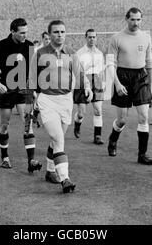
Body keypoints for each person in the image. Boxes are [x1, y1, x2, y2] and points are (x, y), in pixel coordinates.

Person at [29, 20, 93, 193]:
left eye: (62, 32)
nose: (60, 35)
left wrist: (87, 87)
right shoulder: (40, 53)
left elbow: (79, 74)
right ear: (49, 35)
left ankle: (50, 172)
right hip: (47, 100)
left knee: (56, 140)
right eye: (56, 32)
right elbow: (32, 79)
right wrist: (33, 104)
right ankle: (65, 178)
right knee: (59, 139)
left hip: (66, 100)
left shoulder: (71, 53)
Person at [0, 18, 41, 172]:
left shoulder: (29, 46)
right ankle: (5, 157)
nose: (24, 35)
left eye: (26, 32)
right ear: (12, 31)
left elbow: (33, 69)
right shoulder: (1, 46)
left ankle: (31, 161)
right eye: (22, 33)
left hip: (24, 90)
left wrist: (34, 89)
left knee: (27, 124)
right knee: (4, 124)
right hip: (6, 90)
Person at [106, 7, 152, 165]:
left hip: (141, 77)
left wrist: (151, 87)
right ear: (126, 19)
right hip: (122, 77)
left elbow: (150, 63)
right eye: (133, 19)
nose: (136, 23)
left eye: (138, 19)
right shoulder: (116, 38)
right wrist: (117, 84)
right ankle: (113, 139)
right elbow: (110, 63)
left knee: (144, 116)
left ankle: (142, 155)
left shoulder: (146, 37)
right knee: (122, 120)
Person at [73, 29, 106, 145]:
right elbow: (77, 71)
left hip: (97, 81)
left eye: (94, 37)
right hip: (82, 81)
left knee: (98, 109)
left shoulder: (99, 53)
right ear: (86, 38)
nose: (92, 39)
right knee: (82, 113)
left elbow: (102, 70)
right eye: (90, 37)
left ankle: (97, 136)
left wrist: (103, 83)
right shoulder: (79, 53)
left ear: (96, 38)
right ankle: (77, 123)